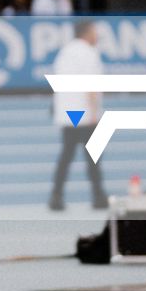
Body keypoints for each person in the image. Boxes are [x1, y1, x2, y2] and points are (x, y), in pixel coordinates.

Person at [47, 21, 108, 212]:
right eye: (94, 31)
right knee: (93, 157)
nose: (97, 36)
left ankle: (56, 195)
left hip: (68, 112)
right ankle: (98, 196)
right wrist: (93, 112)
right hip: (84, 112)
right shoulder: (89, 53)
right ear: (86, 33)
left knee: (66, 155)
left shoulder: (64, 52)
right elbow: (91, 83)